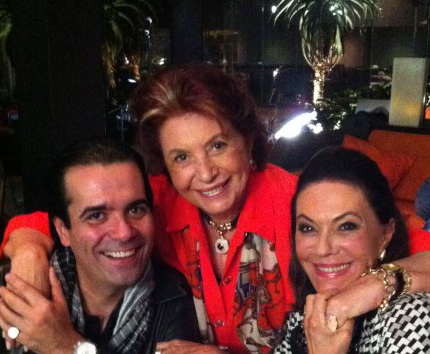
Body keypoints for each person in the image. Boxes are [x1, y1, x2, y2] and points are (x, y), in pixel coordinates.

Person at [1, 67, 430, 354]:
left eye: (218, 145)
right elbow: (71, 218)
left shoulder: (303, 207)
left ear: (248, 140)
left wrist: (375, 286)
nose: (205, 174)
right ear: (165, 166)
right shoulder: (155, 205)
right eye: (181, 157)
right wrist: (27, 251)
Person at [0, 139, 200, 354]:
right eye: (96, 215)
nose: (124, 232)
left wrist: (64, 345)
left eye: (135, 210)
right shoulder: (21, 285)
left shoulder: (175, 301)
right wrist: (29, 250)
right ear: (63, 231)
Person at [274, 147, 430, 354]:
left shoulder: (409, 318)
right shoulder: (305, 316)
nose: (322, 249)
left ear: (385, 233)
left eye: (346, 226)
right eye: (308, 228)